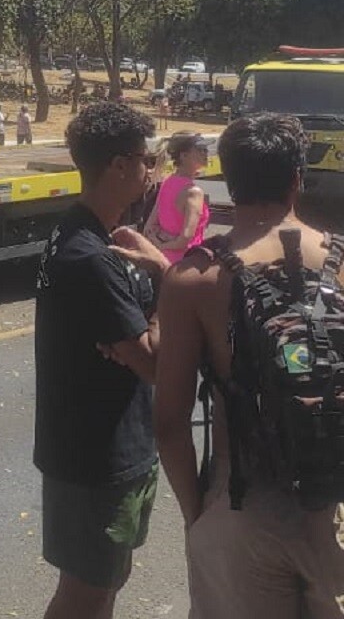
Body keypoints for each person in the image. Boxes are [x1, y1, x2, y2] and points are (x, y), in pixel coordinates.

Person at [116, 113, 344, 618]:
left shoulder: (195, 280)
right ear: (296, 180)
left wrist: (200, 515)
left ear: (230, 182)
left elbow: (170, 423)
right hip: (334, 504)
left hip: (242, 500)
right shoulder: (341, 262)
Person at [35, 102, 164, 619]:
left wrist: (142, 312)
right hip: (96, 462)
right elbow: (155, 363)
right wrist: (166, 279)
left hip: (115, 449)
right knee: (86, 592)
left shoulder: (96, 238)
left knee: (108, 580)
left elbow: (139, 343)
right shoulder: (88, 257)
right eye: (145, 159)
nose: (151, 170)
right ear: (117, 167)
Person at [142, 132, 210, 263]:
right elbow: (186, 238)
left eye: (206, 149)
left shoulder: (167, 182)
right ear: (184, 155)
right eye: (200, 149)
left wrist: (159, 246)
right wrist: (163, 245)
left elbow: (149, 226)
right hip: (186, 263)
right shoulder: (193, 192)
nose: (206, 153)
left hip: (161, 260)